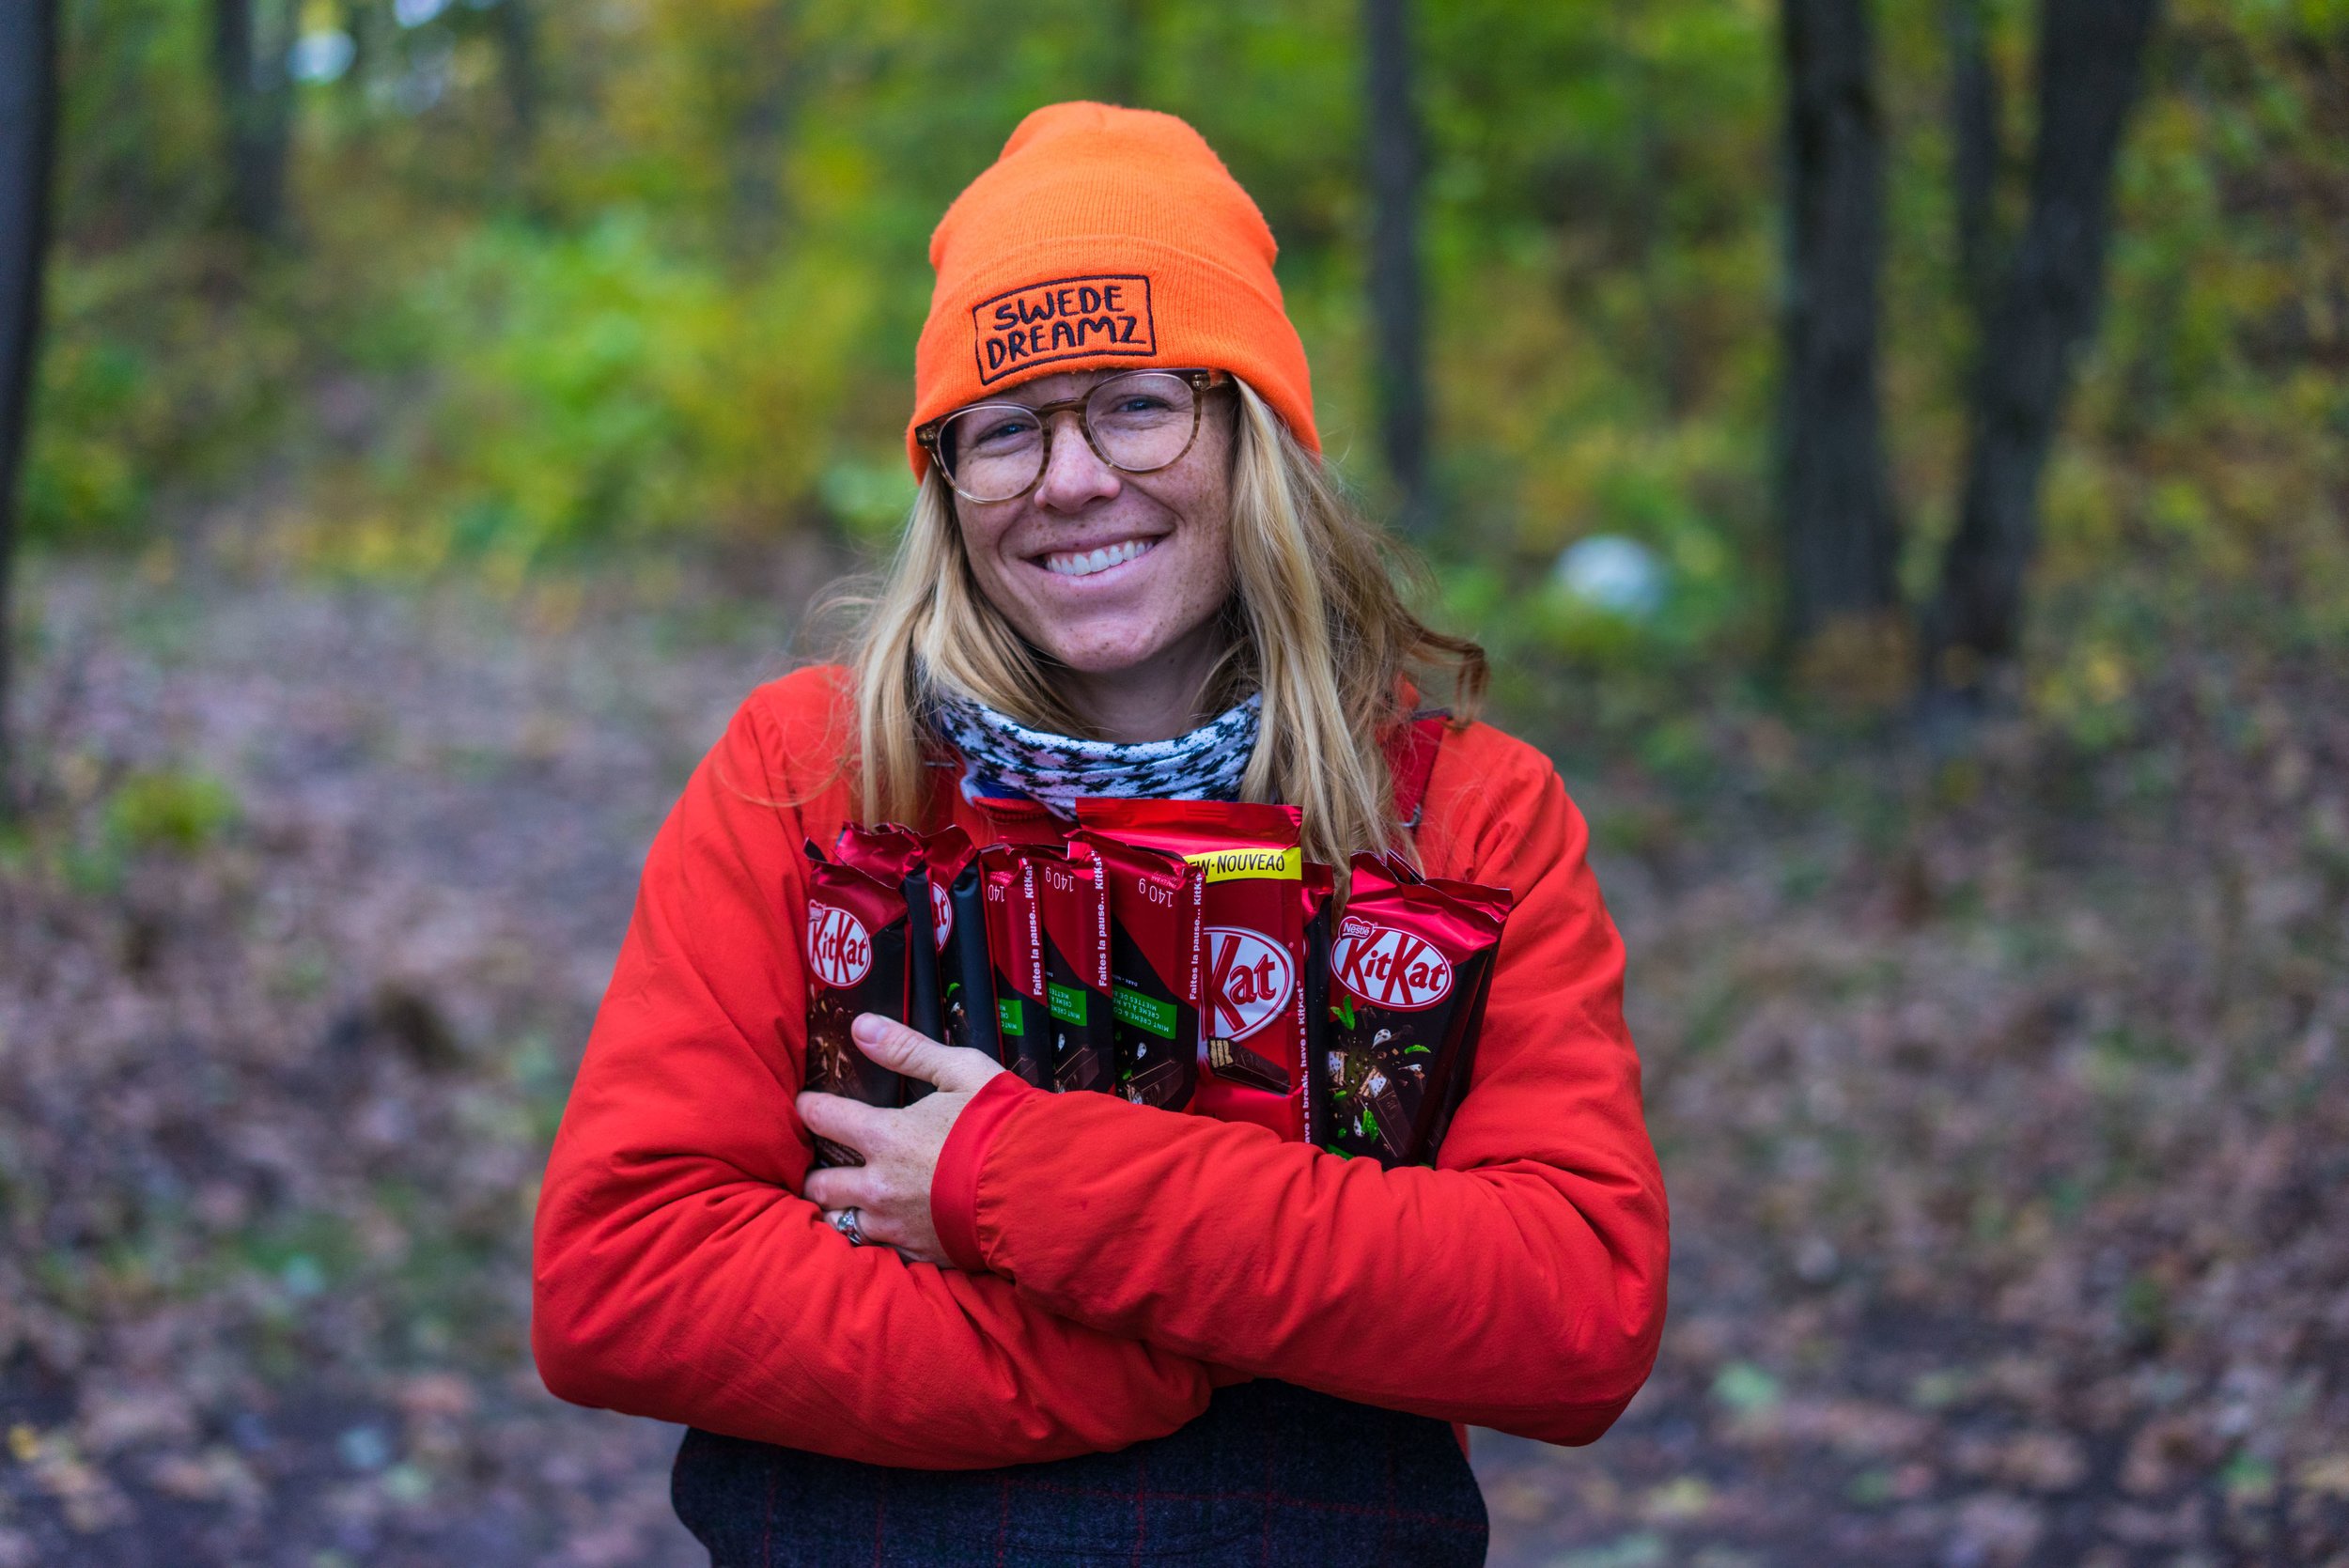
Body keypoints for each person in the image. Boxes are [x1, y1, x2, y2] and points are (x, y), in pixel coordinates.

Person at [532, 101, 1668, 1567]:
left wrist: (1013, 1178)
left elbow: (1571, 1309)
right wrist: (1169, 1350)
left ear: (1254, 430)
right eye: (1007, 427)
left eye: (1136, 401)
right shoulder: (810, 775)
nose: (1070, 478)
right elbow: (622, 1277)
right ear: (948, 485)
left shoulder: (1459, 813)